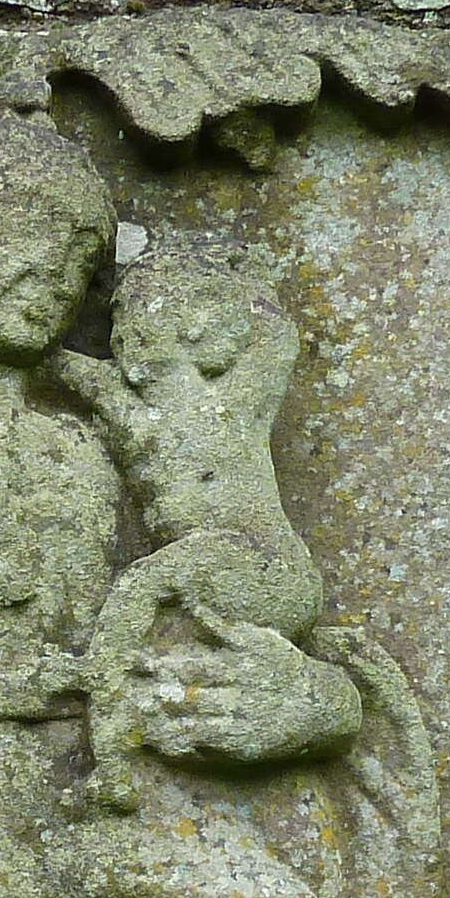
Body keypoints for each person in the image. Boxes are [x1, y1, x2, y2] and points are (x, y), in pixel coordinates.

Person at [54, 259, 324, 807]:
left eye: (140, 322)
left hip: (264, 563)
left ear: (198, 329)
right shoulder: (126, 406)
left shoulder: (236, 402)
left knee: (142, 582)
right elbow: (57, 365)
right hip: (213, 565)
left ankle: (100, 673)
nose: (124, 339)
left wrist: (234, 277)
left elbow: (278, 339)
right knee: (154, 594)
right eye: (120, 328)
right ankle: (110, 752)